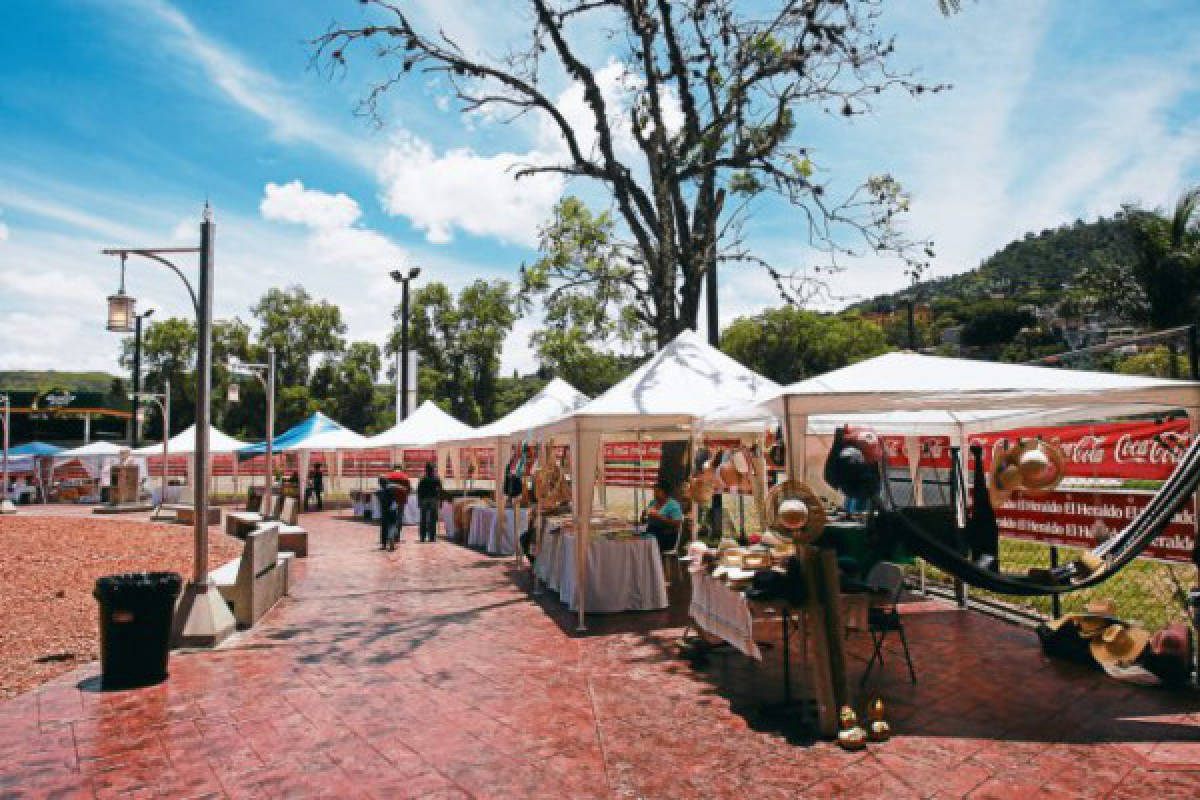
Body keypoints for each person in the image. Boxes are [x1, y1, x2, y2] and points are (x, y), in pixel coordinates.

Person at [642, 478, 684, 554]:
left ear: (665, 492)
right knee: (640, 540)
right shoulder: (653, 502)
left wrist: (659, 516)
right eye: (654, 491)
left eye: (657, 491)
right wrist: (644, 514)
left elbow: (677, 523)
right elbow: (645, 519)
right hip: (652, 532)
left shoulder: (673, 505)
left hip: (666, 535)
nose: (655, 494)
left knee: (645, 544)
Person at [416, 463, 442, 543]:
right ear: (433, 469)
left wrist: (419, 501)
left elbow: (419, 491)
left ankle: (422, 537)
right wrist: (440, 501)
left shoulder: (423, 479)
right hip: (433, 500)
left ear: (426, 470)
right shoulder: (437, 479)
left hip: (424, 500)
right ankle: (432, 537)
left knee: (423, 519)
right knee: (433, 519)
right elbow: (440, 491)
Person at [376, 477, 397, 551]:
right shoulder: (392, 490)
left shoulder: (379, 492)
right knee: (392, 526)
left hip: (384, 511)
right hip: (392, 510)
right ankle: (391, 541)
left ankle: (384, 545)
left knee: (384, 527)